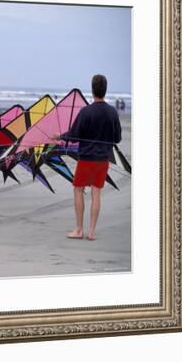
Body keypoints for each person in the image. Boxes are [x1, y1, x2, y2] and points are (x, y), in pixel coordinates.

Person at [53, 75, 122, 241]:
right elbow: (117, 138)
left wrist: (59, 136)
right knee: (96, 193)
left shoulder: (86, 111)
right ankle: (91, 232)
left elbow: (74, 135)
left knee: (78, 189)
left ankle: (79, 230)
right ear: (105, 90)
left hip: (86, 159)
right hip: (102, 159)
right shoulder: (112, 112)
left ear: (93, 90)